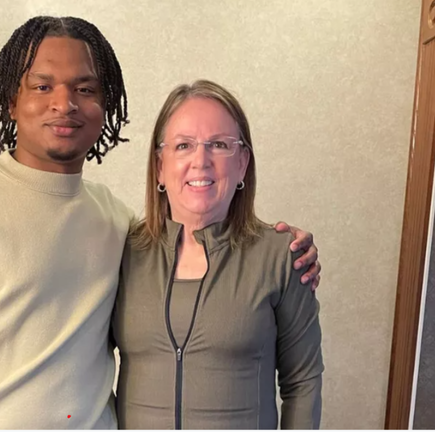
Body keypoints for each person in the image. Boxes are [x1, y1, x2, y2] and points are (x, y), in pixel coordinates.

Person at [0, 16, 321, 429]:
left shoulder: (117, 224)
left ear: (105, 104)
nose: (64, 104)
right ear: (11, 100)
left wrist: (287, 251)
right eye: (42, 86)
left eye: (84, 89)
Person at [113, 80, 324, 429]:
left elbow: (303, 383)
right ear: (159, 166)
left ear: (242, 163)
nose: (201, 161)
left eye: (219, 145)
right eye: (183, 145)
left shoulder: (282, 257)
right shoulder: (121, 253)